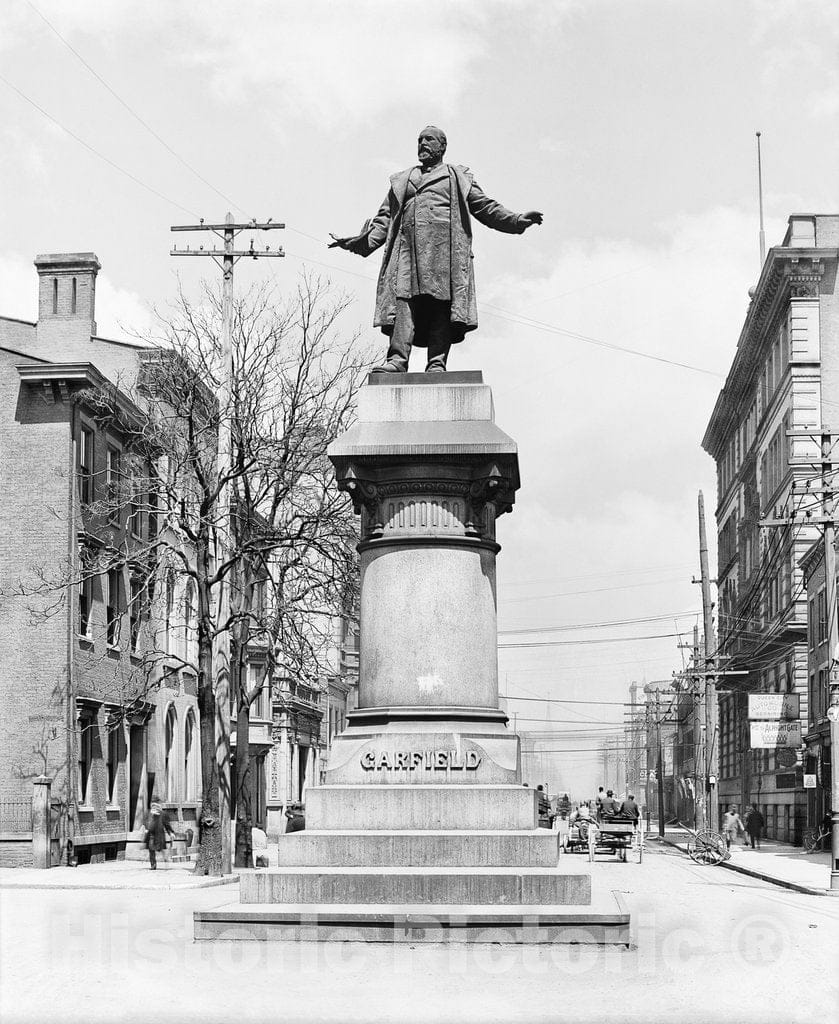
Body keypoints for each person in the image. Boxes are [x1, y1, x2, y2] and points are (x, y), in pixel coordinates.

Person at [329, 126, 542, 373]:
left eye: (429, 139)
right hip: (406, 251)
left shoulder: (457, 177)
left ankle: (437, 363)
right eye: (419, 140)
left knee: (441, 303)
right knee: (402, 302)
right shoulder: (402, 180)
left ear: (443, 146)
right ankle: (397, 360)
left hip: (443, 252)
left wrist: (515, 221)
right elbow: (385, 219)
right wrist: (358, 242)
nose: (422, 144)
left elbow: (485, 207)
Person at [144, 797, 173, 870]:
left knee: (160, 849)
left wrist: (170, 833)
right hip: (151, 835)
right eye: (153, 805)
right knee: (151, 849)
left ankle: (166, 860)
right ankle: (153, 865)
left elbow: (167, 825)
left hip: (159, 835)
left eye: (156, 805)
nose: (154, 807)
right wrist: (146, 828)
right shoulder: (149, 813)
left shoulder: (163, 814)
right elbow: (145, 822)